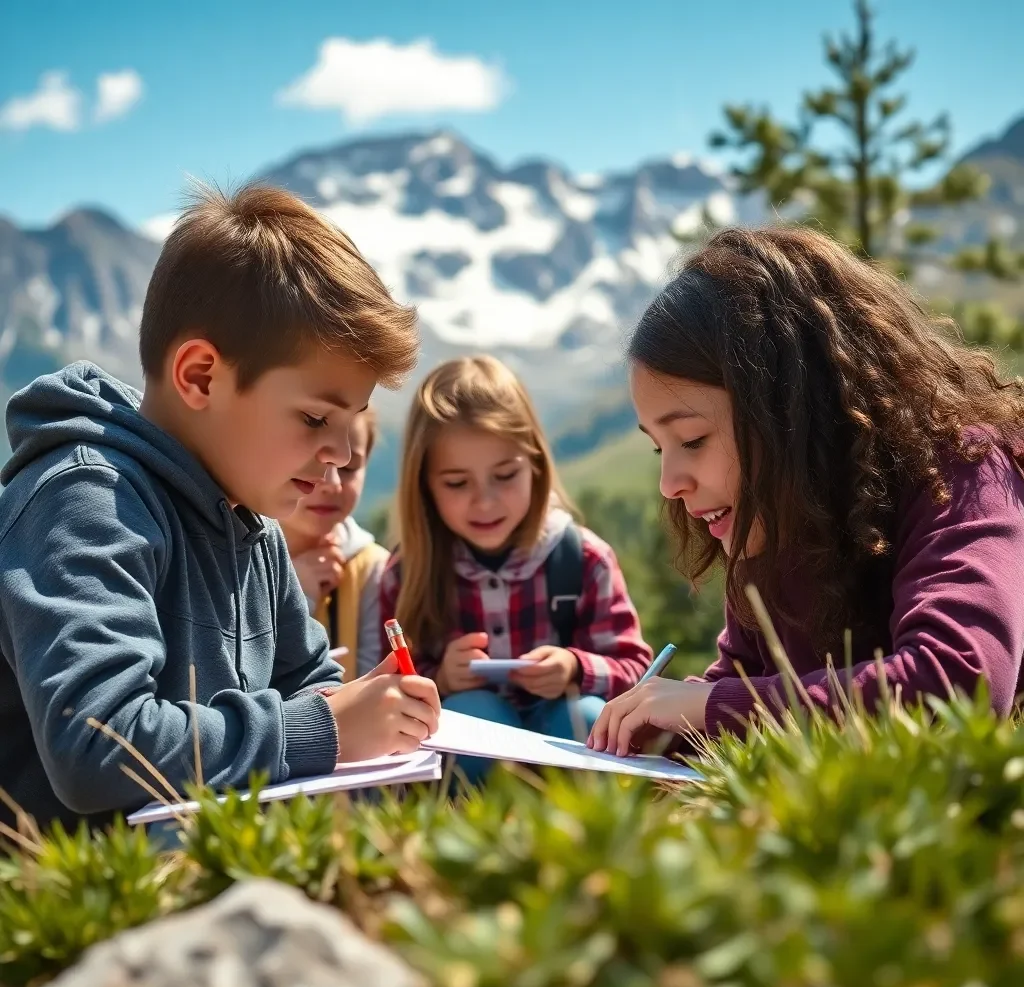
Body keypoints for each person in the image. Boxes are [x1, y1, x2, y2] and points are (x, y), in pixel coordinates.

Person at [0, 183, 439, 833]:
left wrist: (367, 709)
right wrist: (324, 727)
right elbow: (96, 745)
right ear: (201, 376)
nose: (344, 453)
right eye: (317, 416)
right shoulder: (85, 502)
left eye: (355, 420)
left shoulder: (251, 521)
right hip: (79, 895)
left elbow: (307, 677)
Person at [589, 225, 1024, 757]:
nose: (670, 483)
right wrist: (660, 731)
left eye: (692, 439)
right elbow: (746, 683)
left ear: (791, 412)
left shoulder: (965, 472)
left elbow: (960, 683)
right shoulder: (775, 525)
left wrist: (708, 707)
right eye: (661, 448)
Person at [381, 355, 652, 785]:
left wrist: (574, 668)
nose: (485, 502)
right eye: (456, 483)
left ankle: (586, 833)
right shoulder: (406, 574)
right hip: (472, 763)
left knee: (584, 716)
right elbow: (385, 689)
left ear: (535, 466)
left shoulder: (584, 559)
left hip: (564, 741)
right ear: (424, 486)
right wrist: (442, 679)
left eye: (505, 475)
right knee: (470, 715)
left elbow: (636, 667)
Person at [281, 407, 388, 681]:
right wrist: (297, 595)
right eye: (315, 462)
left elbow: (373, 678)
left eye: (350, 468)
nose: (333, 484)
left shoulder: (375, 570)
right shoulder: (238, 553)